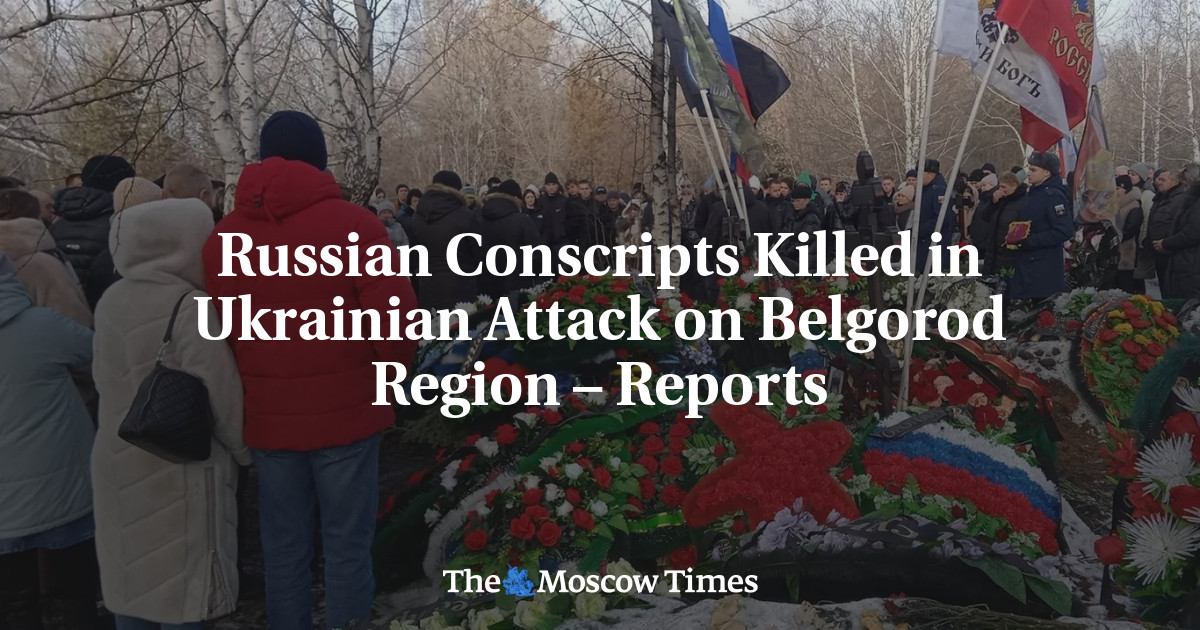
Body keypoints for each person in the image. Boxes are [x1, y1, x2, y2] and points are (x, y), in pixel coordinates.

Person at [202, 110, 418, 630]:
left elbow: (222, 335)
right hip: (348, 415)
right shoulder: (356, 227)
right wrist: (387, 383)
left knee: (283, 548)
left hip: (270, 419)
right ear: (319, 159)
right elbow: (396, 326)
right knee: (346, 546)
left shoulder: (223, 239)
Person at [91, 197, 250, 630]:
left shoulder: (111, 299)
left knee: (134, 585)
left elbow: (103, 378)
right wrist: (245, 453)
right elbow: (221, 394)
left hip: (118, 454)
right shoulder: (191, 305)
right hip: (180, 465)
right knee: (183, 589)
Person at [0, 252, 98, 629]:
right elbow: (99, 355)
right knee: (76, 590)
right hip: (64, 487)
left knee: (14, 601)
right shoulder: (42, 326)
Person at [52, 155, 134, 309]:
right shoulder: (120, 226)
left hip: (63, 313)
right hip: (110, 312)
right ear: (122, 184)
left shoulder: (55, 225)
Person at [0, 190, 91, 327]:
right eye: (47, 206)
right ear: (35, 215)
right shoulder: (41, 264)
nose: (53, 210)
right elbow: (74, 320)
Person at [405, 170, 482, 310]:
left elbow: (413, 256)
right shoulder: (465, 216)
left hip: (427, 288)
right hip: (461, 288)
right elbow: (479, 253)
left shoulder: (417, 217)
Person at [1007, 152, 1073, 302]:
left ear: (1047, 173)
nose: (1029, 173)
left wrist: (1030, 240)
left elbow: (1064, 230)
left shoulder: (1053, 196)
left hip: (1043, 267)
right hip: (1027, 263)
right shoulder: (1034, 193)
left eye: (1033, 170)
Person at [479, 179, 543, 298]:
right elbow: (537, 253)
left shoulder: (480, 219)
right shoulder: (522, 220)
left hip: (486, 287)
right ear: (515, 198)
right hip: (517, 285)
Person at [1154, 164, 1200, 299]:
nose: (1184, 186)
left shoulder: (1195, 202)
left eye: (1185, 182)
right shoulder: (1191, 200)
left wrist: (1166, 243)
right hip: (1185, 261)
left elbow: (1192, 233)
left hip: (1191, 264)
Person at [1145, 167, 1189, 288]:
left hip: (1170, 254)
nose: (1158, 182)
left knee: (1171, 290)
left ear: (1175, 181)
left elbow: (1179, 227)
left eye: (1163, 180)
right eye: (1158, 179)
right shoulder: (1160, 198)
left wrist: (1167, 244)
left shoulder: (1180, 200)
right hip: (1159, 253)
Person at [914, 159, 951, 272]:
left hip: (934, 243)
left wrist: (919, 231)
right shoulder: (925, 190)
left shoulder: (939, 190)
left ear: (930, 174)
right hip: (924, 242)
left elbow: (941, 218)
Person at [1112, 174, 1145, 294]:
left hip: (1127, 252)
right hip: (1115, 252)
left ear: (1125, 189)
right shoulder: (1116, 205)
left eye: (1117, 189)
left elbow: (1130, 229)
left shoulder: (1134, 206)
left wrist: (1114, 238)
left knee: (1125, 285)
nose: (1114, 192)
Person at [534, 172, 568, 252]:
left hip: (562, 242)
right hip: (544, 244)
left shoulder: (565, 201)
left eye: (553, 184)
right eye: (548, 185)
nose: (551, 187)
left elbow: (570, 220)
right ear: (545, 186)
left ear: (557, 185)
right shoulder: (540, 202)